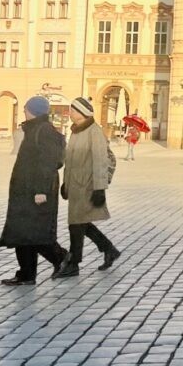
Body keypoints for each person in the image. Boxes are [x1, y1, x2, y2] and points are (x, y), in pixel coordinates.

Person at [0, 97, 66, 286]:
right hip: (24, 191)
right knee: (22, 233)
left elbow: (49, 162)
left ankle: (63, 259)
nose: (24, 112)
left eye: (26, 108)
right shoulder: (34, 129)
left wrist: (41, 190)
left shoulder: (44, 130)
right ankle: (26, 274)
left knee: (35, 233)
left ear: (34, 110)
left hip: (37, 192)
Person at [57, 98, 121, 275]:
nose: (70, 113)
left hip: (88, 185)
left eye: (73, 110)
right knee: (80, 223)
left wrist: (100, 188)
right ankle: (109, 250)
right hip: (76, 185)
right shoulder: (76, 131)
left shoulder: (94, 132)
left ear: (82, 113)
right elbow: (70, 161)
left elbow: (101, 161)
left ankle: (74, 263)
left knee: (76, 224)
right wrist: (66, 183)